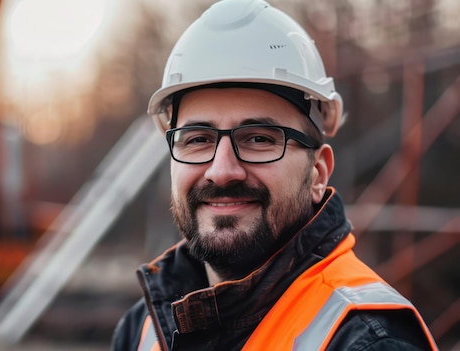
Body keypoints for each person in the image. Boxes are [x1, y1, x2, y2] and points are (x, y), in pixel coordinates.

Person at [111, 0, 439, 350]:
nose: (222, 172)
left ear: (318, 174)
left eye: (259, 139)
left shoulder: (365, 341)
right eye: (198, 140)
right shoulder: (142, 329)